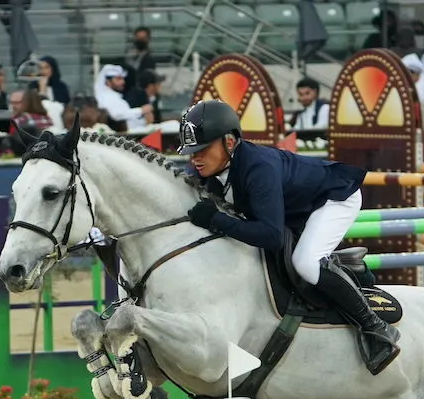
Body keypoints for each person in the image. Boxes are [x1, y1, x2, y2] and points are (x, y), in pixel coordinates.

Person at [177, 100, 399, 375]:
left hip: (333, 199)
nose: (195, 158)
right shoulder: (214, 172)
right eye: (190, 152)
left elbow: (271, 236)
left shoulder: (258, 168)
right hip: (296, 209)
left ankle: (376, 328)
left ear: (230, 142)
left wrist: (216, 219)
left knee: (305, 262)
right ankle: (345, 271)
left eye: (202, 149)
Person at [93, 63, 151, 131]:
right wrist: (141, 110)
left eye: (122, 79)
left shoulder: (114, 96)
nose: (123, 82)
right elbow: (117, 115)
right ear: (108, 82)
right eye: (118, 79)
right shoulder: (105, 97)